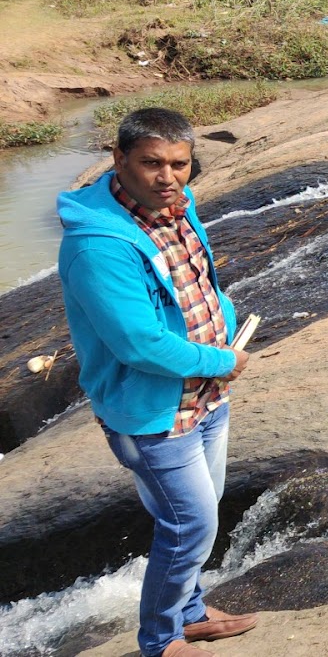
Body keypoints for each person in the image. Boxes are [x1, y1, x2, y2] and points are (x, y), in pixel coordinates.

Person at [57, 108, 257, 657]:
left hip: (205, 397)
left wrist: (223, 331)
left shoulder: (177, 205)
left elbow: (201, 281)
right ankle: (160, 640)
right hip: (153, 412)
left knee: (204, 508)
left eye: (179, 164)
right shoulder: (98, 245)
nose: (167, 177)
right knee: (189, 525)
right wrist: (219, 360)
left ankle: (190, 613)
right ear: (119, 159)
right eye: (151, 163)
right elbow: (138, 344)